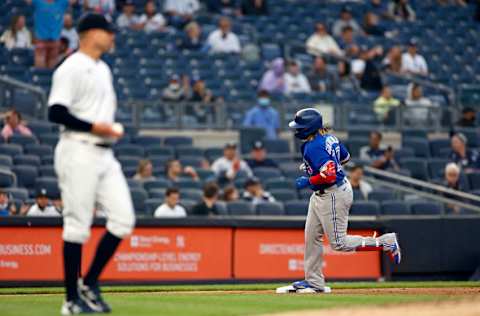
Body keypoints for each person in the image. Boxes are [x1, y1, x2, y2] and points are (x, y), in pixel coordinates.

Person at [47, 14, 135, 314]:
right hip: (77, 149)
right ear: (89, 33)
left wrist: (107, 130)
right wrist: (95, 127)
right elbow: (56, 112)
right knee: (77, 227)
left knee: (123, 219)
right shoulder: (71, 67)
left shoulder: (103, 69)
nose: (112, 36)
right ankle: (70, 300)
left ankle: (89, 282)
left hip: (104, 154)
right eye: (107, 31)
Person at [276, 108, 401, 294]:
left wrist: (310, 179)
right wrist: (315, 168)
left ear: (309, 127)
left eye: (300, 126)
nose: (297, 130)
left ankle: (385, 242)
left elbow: (330, 175)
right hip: (324, 193)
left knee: (339, 243)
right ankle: (314, 282)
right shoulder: (329, 138)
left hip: (333, 193)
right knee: (311, 236)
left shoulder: (314, 146)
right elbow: (345, 158)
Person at [26, 0, 71, 68]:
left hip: (54, 40)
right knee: (40, 68)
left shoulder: (61, 2)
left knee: (51, 67)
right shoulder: (38, 2)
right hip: (41, 40)